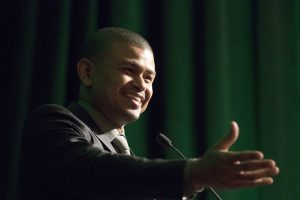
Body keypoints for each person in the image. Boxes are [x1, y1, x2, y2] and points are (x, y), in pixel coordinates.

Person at [19, 27, 279, 200]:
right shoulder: (53, 123)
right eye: (130, 71)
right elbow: (94, 171)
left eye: (149, 78)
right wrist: (191, 172)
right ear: (88, 73)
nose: (142, 85)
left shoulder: (126, 158)